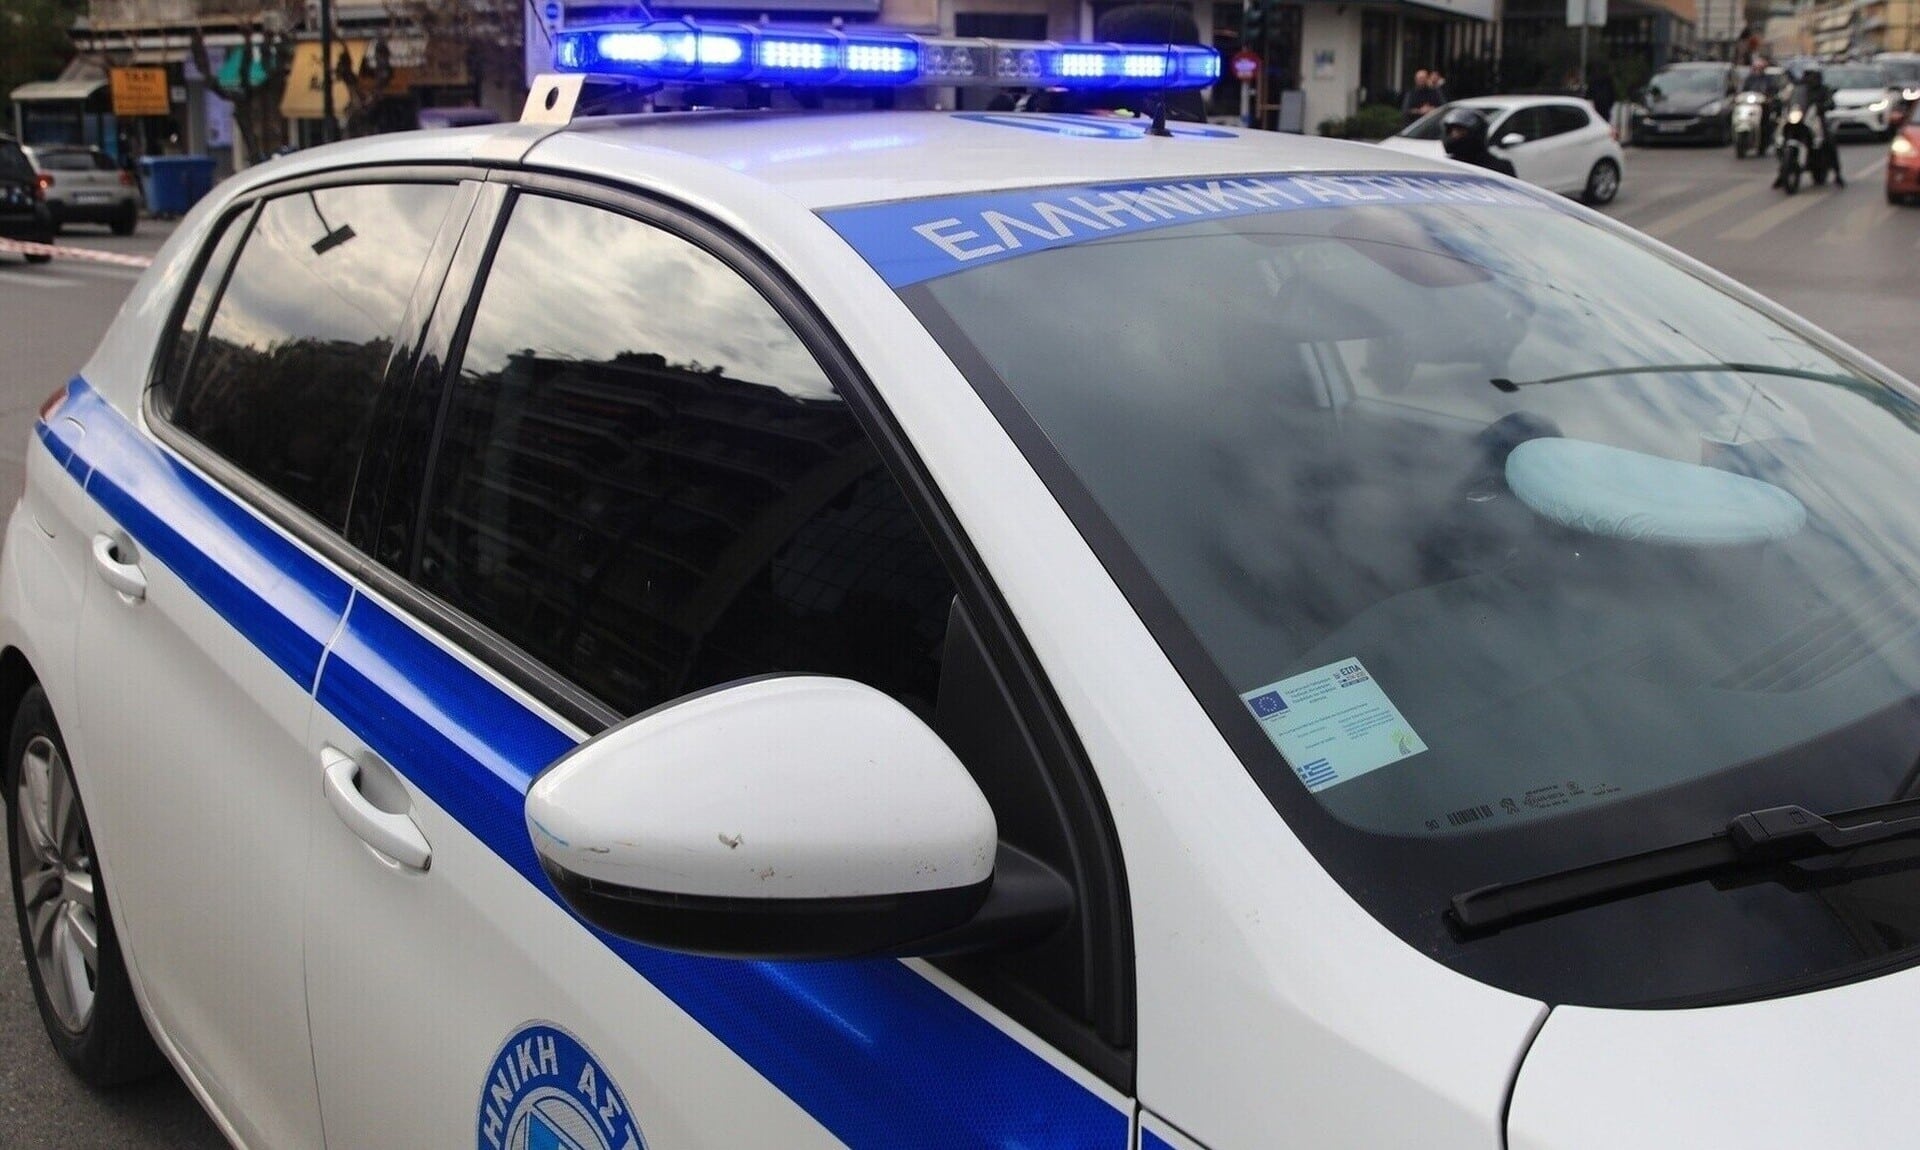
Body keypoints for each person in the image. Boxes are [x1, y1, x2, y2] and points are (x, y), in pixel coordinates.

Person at [1440, 106, 1515, 176]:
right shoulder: (1448, 165)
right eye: (1451, 132)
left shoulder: (1499, 167)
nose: (1454, 136)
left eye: (1460, 131)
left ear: (1477, 133)